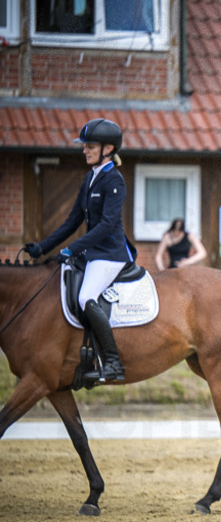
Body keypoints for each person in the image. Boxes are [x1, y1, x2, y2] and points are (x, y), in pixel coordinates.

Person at [23, 118, 134, 381]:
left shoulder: (114, 180)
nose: (84, 150)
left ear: (108, 149)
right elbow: (73, 221)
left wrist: (72, 249)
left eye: (90, 146)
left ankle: (114, 362)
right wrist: (42, 247)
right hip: (91, 254)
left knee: (86, 298)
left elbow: (107, 225)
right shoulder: (89, 179)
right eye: (85, 146)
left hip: (110, 255)